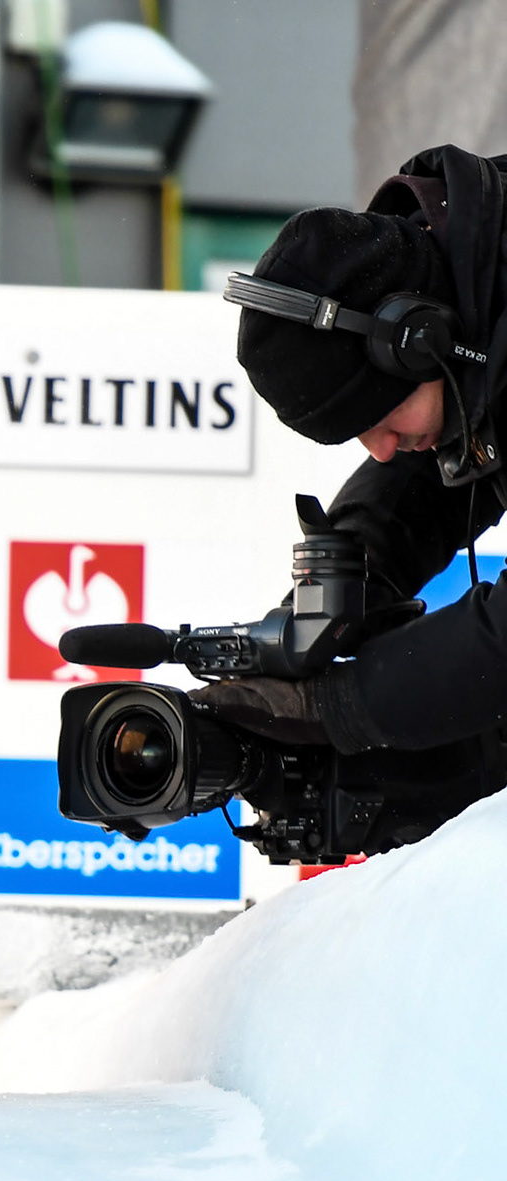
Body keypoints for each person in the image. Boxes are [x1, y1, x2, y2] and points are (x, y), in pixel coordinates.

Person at [204, 145, 507, 756]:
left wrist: (346, 704)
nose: (383, 450)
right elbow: (447, 448)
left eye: (377, 416)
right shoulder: (477, 304)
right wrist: (342, 589)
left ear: (419, 337)